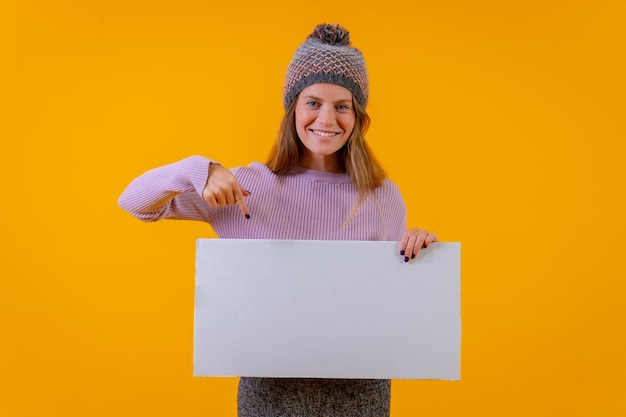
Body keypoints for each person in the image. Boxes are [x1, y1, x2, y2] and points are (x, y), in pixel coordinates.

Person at [119, 23, 438, 417]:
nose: (327, 118)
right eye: (313, 102)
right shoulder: (246, 187)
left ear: (357, 116)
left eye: (343, 106)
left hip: (362, 394)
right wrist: (199, 169)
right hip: (269, 396)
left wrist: (419, 254)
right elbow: (134, 202)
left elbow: (388, 304)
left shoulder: (382, 195)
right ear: (293, 108)